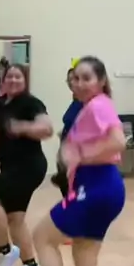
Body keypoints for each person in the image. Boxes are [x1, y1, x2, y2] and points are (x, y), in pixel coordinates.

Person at [33, 56, 126, 266]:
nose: (80, 83)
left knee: (41, 237)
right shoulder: (91, 107)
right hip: (100, 187)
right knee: (85, 261)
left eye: (87, 78)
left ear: (101, 81)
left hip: (98, 187)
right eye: (75, 78)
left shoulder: (99, 105)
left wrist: (80, 155)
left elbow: (118, 141)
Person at [0, 64, 53, 266]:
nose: (13, 80)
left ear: (25, 80)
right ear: (3, 81)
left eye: (18, 77)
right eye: (9, 76)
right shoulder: (5, 105)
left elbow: (46, 128)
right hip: (12, 166)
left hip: (27, 166)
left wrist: (21, 128)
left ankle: (5, 250)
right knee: (15, 219)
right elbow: (2, 134)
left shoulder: (30, 103)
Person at [51, 65, 83, 196]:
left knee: (73, 193)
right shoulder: (75, 100)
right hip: (66, 152)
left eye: (74, 79)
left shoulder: (86, 102)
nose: (71, 83)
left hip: (76, 154)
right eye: (68, 80)